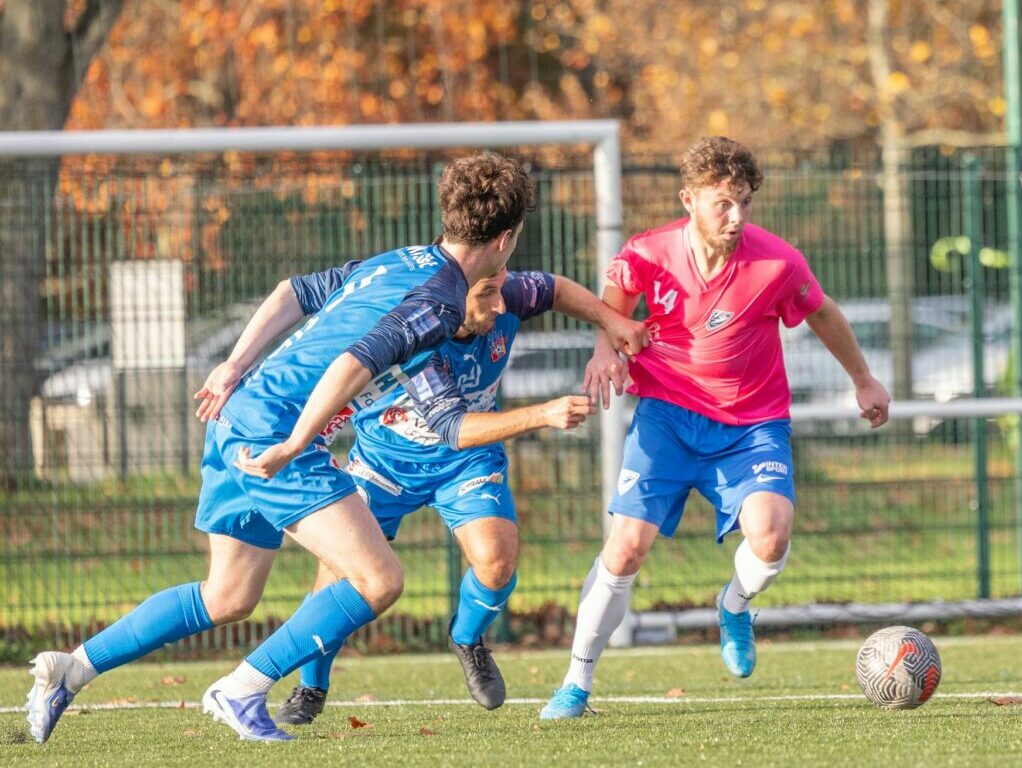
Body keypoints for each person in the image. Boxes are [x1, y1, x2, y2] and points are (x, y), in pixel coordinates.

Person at [26, 153, 537, 744]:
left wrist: (232, 366)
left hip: (236, 414)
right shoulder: (442, 299)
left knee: (228, 595)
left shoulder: (395, 261)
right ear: (505, 238)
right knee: (379, 580)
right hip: (273, 433)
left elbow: (290, 292)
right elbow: (354, 362)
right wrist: (295, 442)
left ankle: (73, 668)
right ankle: (241, 689)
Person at [539, 137, 891, 719]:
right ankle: (576, 683)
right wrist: (606, 349)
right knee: (625, 550)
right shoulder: (647, 253)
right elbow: (611, 306)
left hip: (752, 424)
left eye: (745, 203)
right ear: (689, 200)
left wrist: (864, 380)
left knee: (773, 535)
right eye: (723, 203)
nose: (736, 217)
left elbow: (824, 313)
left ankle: (733, 606)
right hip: (667, 419)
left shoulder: (777, 262)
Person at [267, 268, 646, 725]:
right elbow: (455, 428)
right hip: (385, 462)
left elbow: (558, 290)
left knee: (497, 559)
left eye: (499, 291)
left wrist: (613, 322)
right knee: (338, 575)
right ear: (449, 297)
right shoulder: (415, 335)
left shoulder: (504, 291)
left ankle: (467, 639)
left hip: (465, 462)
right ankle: (311, 686)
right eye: (487, 295)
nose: (502, 306)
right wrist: (544, 413)